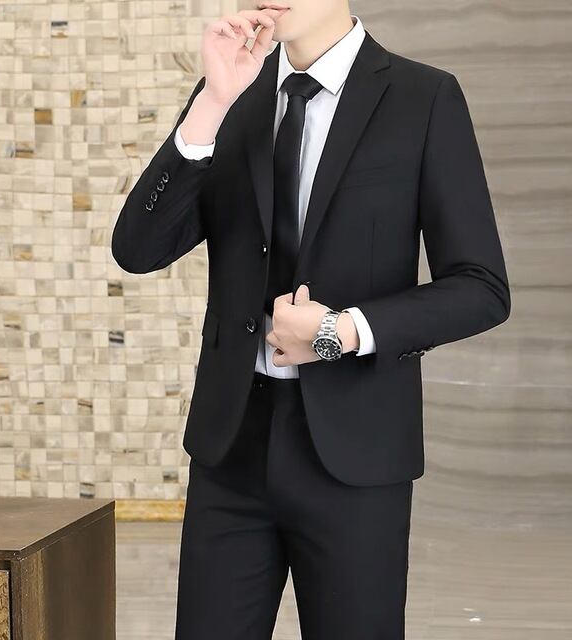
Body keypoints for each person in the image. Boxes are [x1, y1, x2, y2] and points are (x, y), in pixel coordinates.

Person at [111, 1, 511, 638]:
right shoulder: (231, 93)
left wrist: (339, 332)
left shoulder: (423, 98)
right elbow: (138, 250)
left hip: (356, 454)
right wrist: (210, 105)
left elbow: (481, 288)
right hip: (231, 446)